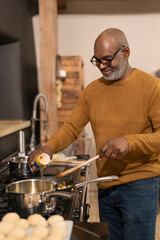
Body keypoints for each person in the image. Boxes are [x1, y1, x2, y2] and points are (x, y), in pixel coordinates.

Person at [28, 28, 160, 240]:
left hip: (141, 186)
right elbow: (72, 126)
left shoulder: (153, 87)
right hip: (105, 185)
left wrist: (130, 142)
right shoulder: (92, 91)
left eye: (107, 60)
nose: (101, 66)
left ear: (126, 52)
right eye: (96, 60)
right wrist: (48, 147)